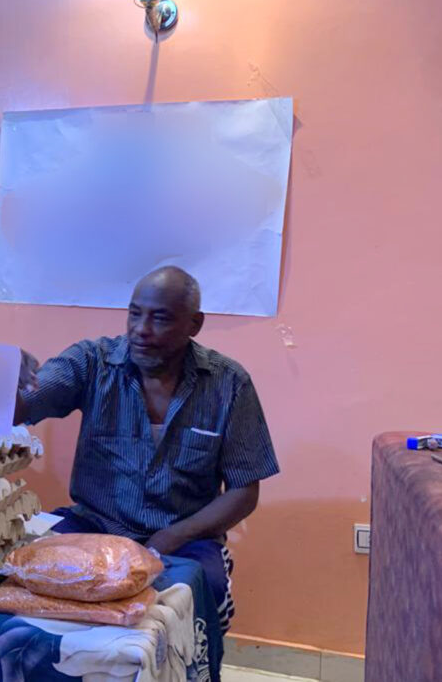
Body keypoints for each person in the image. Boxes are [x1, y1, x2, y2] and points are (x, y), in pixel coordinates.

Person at [16, 266, 279, 632]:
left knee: (201, 600)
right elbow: (20, 407)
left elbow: (244, 492)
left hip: (185, 539)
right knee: (18, 570)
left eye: (160, 318)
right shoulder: (92, 363)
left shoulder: (228, 384)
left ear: (194, 324)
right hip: (93, 525)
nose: (141, 329)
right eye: (135, 313)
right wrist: (3, 372)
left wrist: (177, 535)